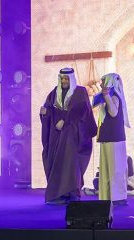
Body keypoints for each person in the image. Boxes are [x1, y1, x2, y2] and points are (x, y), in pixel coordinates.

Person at [40, 67, 97, 205]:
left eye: (66, 79)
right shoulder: (54, 93)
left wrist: (66, 121)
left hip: (73, 135)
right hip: (56, 136)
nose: (64, 81)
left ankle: (72, 193)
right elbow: (49, 109)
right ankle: (57, 195)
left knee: (71, 165)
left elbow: (83, 111)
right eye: (62, 79)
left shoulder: (80, 92)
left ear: (71, 79)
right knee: (55, 163)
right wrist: (45, 113)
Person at [93, 73, 131, 205]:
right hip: (107, 138)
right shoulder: (108, 96)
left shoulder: (115, 96)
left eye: (103, 82)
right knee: (106, 170)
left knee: (116, 169)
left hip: (115, 139)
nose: (101, 84)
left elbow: (113, 112)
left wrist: (106, 96)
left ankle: (118, 198)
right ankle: (107, 197)